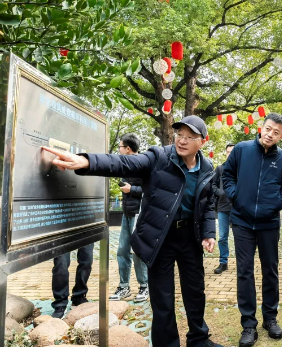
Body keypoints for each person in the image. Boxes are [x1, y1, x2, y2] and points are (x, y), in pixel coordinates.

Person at [43, 116, 221, 347]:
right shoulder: (159, 157)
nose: (182, 140)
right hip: (160, 238)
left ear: (202, 142)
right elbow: (124, 163)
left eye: (190, 137)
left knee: (195, 291)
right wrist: (86, 161)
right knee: (163, 297)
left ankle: (199, 339)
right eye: (179, 134)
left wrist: (209, 233)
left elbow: (207, 204)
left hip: (190, 238)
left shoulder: (206, 168)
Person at [222, 113, 282, 347]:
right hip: (241, 222)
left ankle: (270, 318)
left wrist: (276, 204)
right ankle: (248, 324)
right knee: (244, 271)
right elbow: (227, 176)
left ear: (281, 136)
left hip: (269, 223)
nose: (270, 134)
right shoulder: (241, 150)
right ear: (261, 127)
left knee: (270, 270)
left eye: (276, 132)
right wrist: (235, 196)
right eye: (268, 129)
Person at [110, 133, 149, 302]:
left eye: (120, 147)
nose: (118, 150)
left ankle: (144, 286)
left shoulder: (143, 165)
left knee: (137, 252)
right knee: (122, 250)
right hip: (126, 214)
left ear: (127, 148)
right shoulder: (125, 165)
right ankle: (124, 286)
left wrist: (131, 189)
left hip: (139, 215)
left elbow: (150, 190)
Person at [51, 243, 94, 318]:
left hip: (85, 235)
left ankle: (79, 296)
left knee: (87, 260)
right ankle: (60, 303)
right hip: (62, 236)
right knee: (61, 263)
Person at [211, 144, 235, 274]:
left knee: (240, 237)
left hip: (238, 208)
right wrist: (219, 192)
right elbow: (212, 184)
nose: (230, 154)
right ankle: (223, 262)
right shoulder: (220, 168)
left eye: (232, 152)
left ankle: (242, 262)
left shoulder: (242, 168)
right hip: (222, 208)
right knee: (222, 237)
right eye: (228, 152)